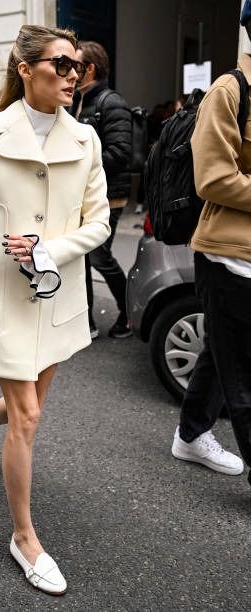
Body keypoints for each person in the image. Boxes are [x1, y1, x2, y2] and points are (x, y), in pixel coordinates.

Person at [0, 24, 110, 595]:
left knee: (22, 412)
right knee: (28, 417)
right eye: (62, 64)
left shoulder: (86, 140)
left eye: (78, 66)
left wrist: (49, 251)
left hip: (56, 297)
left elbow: (101, 222)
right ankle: (23, 536)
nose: (73, 75)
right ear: (26, 69)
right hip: (4, 295)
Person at [170, 4, 251, 482]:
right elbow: (214, 178)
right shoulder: (230, 90)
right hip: (229, 256)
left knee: (222, 355)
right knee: (242, 374)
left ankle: (190, 433)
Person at [71, 40, 132, 339]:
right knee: (82, 256)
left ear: (90, 68)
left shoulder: (111, 102)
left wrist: (82, 168)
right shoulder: (76, 100)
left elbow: (121, 152)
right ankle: (86, 320)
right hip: (84, 196)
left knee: (98, 256)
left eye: (76, 65)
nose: (70, 70)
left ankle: (130, 312)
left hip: (109, 197)